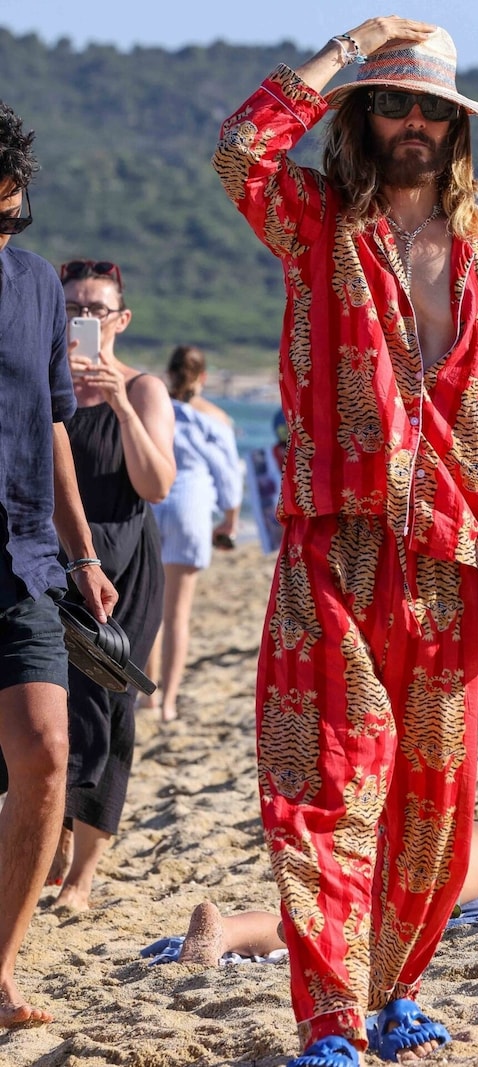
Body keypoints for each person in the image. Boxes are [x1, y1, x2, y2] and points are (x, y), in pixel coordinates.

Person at [212, 17, 478, 1067]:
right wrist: (342, 51)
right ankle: (329, 1018)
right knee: (330, 777)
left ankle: (390, 990)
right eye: (391, 102)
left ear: (456, 127)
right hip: (331, 543)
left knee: (430, 793)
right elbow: (238, 150)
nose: (411, 121)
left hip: (450, 557)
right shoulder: (313, 221)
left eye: (428, 106)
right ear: (361, 118)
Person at [0, 102, 117, 1026]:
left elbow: (52, 427)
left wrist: (80, 553)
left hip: (20, 554)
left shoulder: (36, 284)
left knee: (45, 751)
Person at [48, 259, 175, 912]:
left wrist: (120, 402)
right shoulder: (45, 390)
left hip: (124, 571)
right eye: (72, 306)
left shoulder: (145, 389)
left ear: (120, 320)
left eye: (97, 308)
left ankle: (82, 876)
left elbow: (156, 485)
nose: (83, 319)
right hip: (54, 564)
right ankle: (55, 842)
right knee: (46, 709)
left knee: (107, 713)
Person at [172, 811, 478, 966]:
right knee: (311, 931)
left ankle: (224, 931)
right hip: (418, 886)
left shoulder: (449, 821)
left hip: (370, 860)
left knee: (301, 923)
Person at [146, 344, 243, 723]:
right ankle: (169, 702)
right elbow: (228, 476)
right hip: (191, 507)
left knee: (150, 608)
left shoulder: (154, 410)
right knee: (177, 614)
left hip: (153, 504)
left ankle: (147, 695)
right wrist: (231, 520)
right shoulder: (215, 418)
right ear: (203, 377)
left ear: (168, 374)